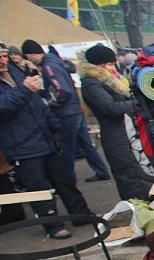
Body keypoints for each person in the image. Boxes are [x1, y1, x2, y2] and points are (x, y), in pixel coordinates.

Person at [0, 45, 94, 240]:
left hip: (44, 137)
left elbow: (38, 103)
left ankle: (80, 214)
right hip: (21, 145)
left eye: (4, 56)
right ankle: (52, 225)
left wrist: (55, 127)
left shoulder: (16, 73)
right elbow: (4, 106)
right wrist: (24, 89)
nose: (2, 61)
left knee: (64, 179)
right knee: (37, 187)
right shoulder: (19, 81)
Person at [22, 39, 111, 182]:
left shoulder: (49, 66)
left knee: (68, 147)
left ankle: (67, 178)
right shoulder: (55, 62)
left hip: (66, 112)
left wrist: (51, 102)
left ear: (31, 54)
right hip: (74, 109)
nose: (29, 61)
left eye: (28, 58)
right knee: (86, 144)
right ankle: (101, 170)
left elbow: (62, 90)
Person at [79, 44, 154, 201]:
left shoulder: (112, 80)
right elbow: (112, 107)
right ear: (97, 66)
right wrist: (139, 103)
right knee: (131, 178)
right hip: (117, 137)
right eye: (107, 64)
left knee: (142, 174)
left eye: (113, 64)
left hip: (128, 132)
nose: (112, 67)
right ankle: (139, 211)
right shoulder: (91, 83)